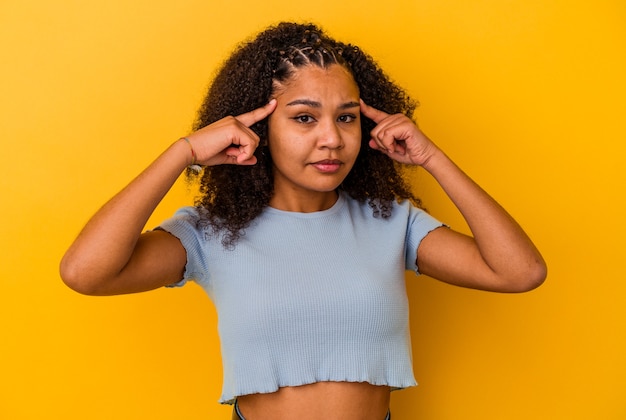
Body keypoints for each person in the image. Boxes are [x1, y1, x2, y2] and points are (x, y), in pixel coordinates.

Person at [60, 22, 546, 420]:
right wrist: (182, 152)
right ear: (257, 128)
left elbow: (519, 272)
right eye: (304, 118)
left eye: (348, 117)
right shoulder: (211, 231)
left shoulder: (390, 222)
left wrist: (433, 158)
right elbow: (86, 273)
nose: (333, 139)